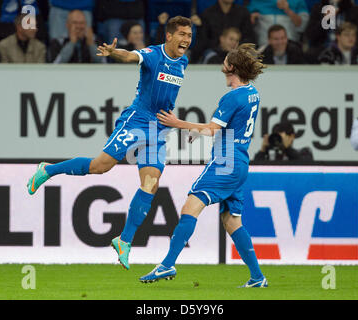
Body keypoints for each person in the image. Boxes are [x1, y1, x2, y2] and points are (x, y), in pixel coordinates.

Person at [27, 16, 193, 270]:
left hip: (158, 129)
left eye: (189, 35)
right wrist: (114, 52)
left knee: (151, 183)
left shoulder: (183, 62)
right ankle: (48, 169)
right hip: (137, 120)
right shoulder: (152, 54)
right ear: (169, 36)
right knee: (100, 166)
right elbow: (130, 57)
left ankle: (124, 241)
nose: (186, 40)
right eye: (182, 34)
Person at [139, 43, 268, 288]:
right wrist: (201, 132)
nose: (222, 64)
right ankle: (257, 277)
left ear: (232, 67)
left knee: (191, 206)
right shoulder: (253, 93)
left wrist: (177, 123)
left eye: (226, 61)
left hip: (225, 161)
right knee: (232, 221)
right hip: (240, 161)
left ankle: (167, 264)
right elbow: (223, 128)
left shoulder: (232, 97)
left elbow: (212, 129)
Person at [191, 0, 255, 63]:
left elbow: (249, 38)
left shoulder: (243, 13)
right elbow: (203, 41)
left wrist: (236, 47)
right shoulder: (207, 14)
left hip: (237, 53)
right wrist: (220, 47)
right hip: (214, 54)